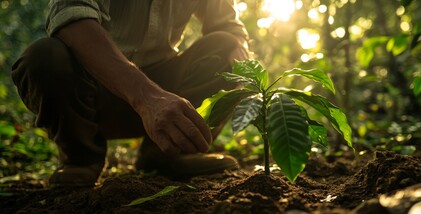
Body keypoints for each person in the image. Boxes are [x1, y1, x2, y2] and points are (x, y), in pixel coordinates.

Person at [11, 0, 250, 187]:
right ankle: (81, 157)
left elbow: (229, 27)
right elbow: (72, 17)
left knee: (225, 45)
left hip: (166, 91)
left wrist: (241, 59)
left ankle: (168, 153)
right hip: (88, 90)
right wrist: (147, 98)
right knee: (43, 58)